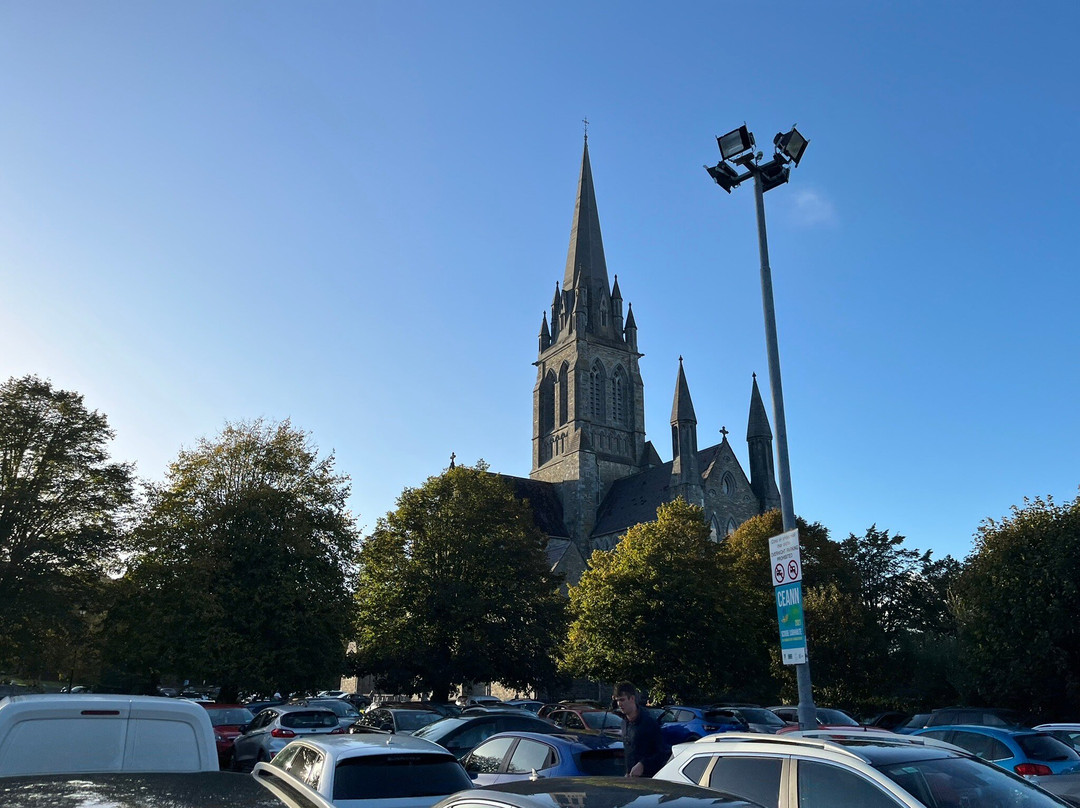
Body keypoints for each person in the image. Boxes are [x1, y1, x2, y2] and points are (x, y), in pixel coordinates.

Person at [613, 682, 667, 777]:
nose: (619, 704)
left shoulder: (649, 723)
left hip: (649, 780)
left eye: (622, 700)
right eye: (617, 700)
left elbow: (662, 753)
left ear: (632, 698)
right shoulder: (624, 723)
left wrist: (643, 764)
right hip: (631, 781)